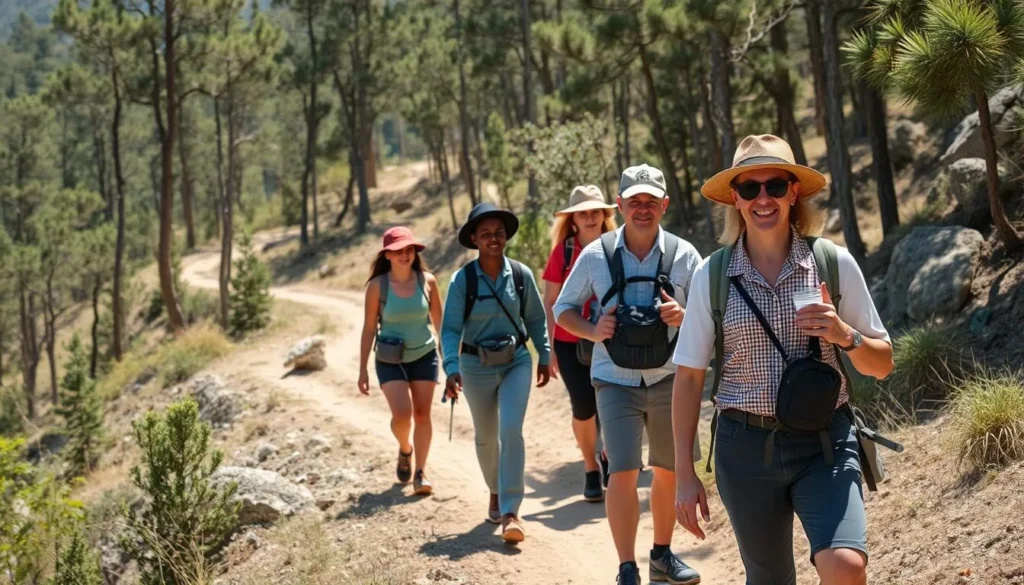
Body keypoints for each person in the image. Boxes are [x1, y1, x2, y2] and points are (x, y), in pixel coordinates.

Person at [672, 134, 894, 585]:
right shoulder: (712, 275)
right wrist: (684, 474)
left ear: (793, 192)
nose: (763, 199)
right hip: (744, 449)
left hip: (825, 441)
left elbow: (883, 363)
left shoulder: (833, 263)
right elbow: (689, 378)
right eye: (749, 188)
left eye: (775, 185)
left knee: (846, 566)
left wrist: (843, 334)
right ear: (734, 198)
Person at [554, 165, 703, 585]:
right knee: (621, 470)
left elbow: (710, 315)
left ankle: (662, 555)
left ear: (664, 205)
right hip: (614, 378)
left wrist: (685, 315)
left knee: (668, 469)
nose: (642, 209)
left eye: (650, 201)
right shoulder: (595, 254)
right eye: (634, 201)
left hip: (670, 376)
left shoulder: (685, 255)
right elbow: (562, 309)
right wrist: (592, 330)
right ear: (619, 205)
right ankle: (626, 567)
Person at [441, 202, 551, 544]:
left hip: (516, 361)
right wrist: (451, 367)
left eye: (499, 233)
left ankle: (510, 511)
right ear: (474, 239)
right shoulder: (463, 281)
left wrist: (544, 354)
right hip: (475, 366)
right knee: (486, 437)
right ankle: (495, 489)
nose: (493, 239)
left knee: (511, 430)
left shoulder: (520, 275)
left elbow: (535, 319)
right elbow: (450, 330)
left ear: (506, 236)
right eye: (485, 234)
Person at [541, 185, 617, 503]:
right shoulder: (564, 252)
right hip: (570, 342)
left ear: (604, 214)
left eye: (595, 211)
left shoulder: (619, 246)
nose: (589, 217)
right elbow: (550, 301)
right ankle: (590, 468)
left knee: (613, 403)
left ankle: (611, 458)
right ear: (572, 219)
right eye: (582, 213)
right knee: (584, 407)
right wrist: (548, 349)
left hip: (612, 339)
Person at [358, 226, 444, 496]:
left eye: (409, 250)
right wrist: (362, 369)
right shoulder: (377, 286)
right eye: (398, 251)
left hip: (424, 355)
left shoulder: (428, 281)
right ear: (387, 255)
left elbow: (440, 325)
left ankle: (421, 472)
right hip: (389, 359)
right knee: (402, 415)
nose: (404, 255)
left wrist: (451, 360)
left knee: (423, 414)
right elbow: (369, 328)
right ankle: (405, 448)